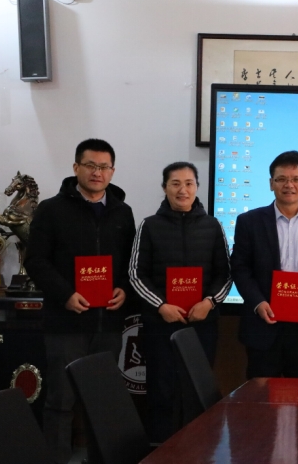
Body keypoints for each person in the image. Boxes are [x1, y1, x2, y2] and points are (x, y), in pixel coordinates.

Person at [25, 138, 136, 464]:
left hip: (108, 324)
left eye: (104, 167)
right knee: (61, 401)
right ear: (76, 168)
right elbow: (36, 261)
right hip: (66, 323)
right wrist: (65, 295)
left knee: (102, 402)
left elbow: (131, 262)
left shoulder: (123, 212)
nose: (97, 172)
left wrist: (124, 289)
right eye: (90, 165)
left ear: (112, 171)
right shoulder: (51, 210)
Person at [129, 162, 232, 442]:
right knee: (161, 387)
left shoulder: (213, 226)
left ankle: (198, 448)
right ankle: (161, 447)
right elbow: (136, 274)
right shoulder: (149, 225)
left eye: (189, 183)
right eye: (175, 183)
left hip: (202, 323)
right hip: (160, 324)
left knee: (197, 387)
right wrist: (161, 306)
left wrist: (209, 302)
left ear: (197, 187)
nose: (182, 190)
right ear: (165, 188)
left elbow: (225, 274)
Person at [231, 151, 298, 378]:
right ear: (271, 183)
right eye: (281, 179)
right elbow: (240, 268)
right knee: (260, 394)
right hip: (263, 324)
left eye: (296, 179)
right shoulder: (249, 222)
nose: (289, 185)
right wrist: (258, 302)